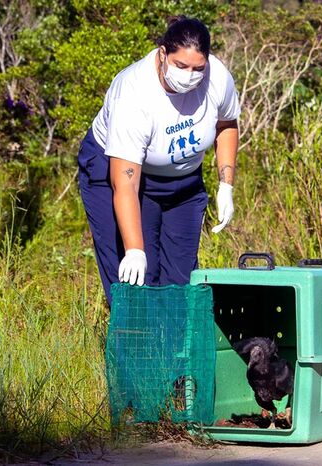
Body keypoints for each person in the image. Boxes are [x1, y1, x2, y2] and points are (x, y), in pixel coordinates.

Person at [78, 16, 240, 305]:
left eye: (197, 69)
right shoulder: (133, 94)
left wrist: (225, 185)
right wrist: (135, 250)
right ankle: (137, 346)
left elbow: (227, 125)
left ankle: (173, 349)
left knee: (180, 281)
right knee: (136, 278)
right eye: (181, 66)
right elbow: (125, 185)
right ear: (163, 54)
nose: (190, 75)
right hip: (119, 174)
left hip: (184, 181)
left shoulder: (217, 78)